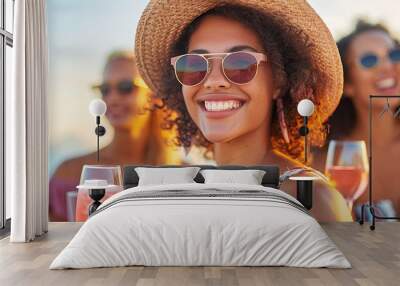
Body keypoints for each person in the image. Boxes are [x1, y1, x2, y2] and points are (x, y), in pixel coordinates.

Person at [134, 0, 352, 221]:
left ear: (278, 80)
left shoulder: (312, 199)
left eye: (240, 63)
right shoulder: (187, 196)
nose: (214, 81)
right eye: (195, 65)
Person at [49, 51, 181, 221]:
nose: (112, 99)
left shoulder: (182, 175)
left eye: (126, 87)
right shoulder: (69, 173)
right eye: (105, 90)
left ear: (154, 96)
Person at [320, 20, 400, 217]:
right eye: (369, 60)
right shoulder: (330, 163)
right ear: (347, 83)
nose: (388, 67)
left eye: (394, 55)